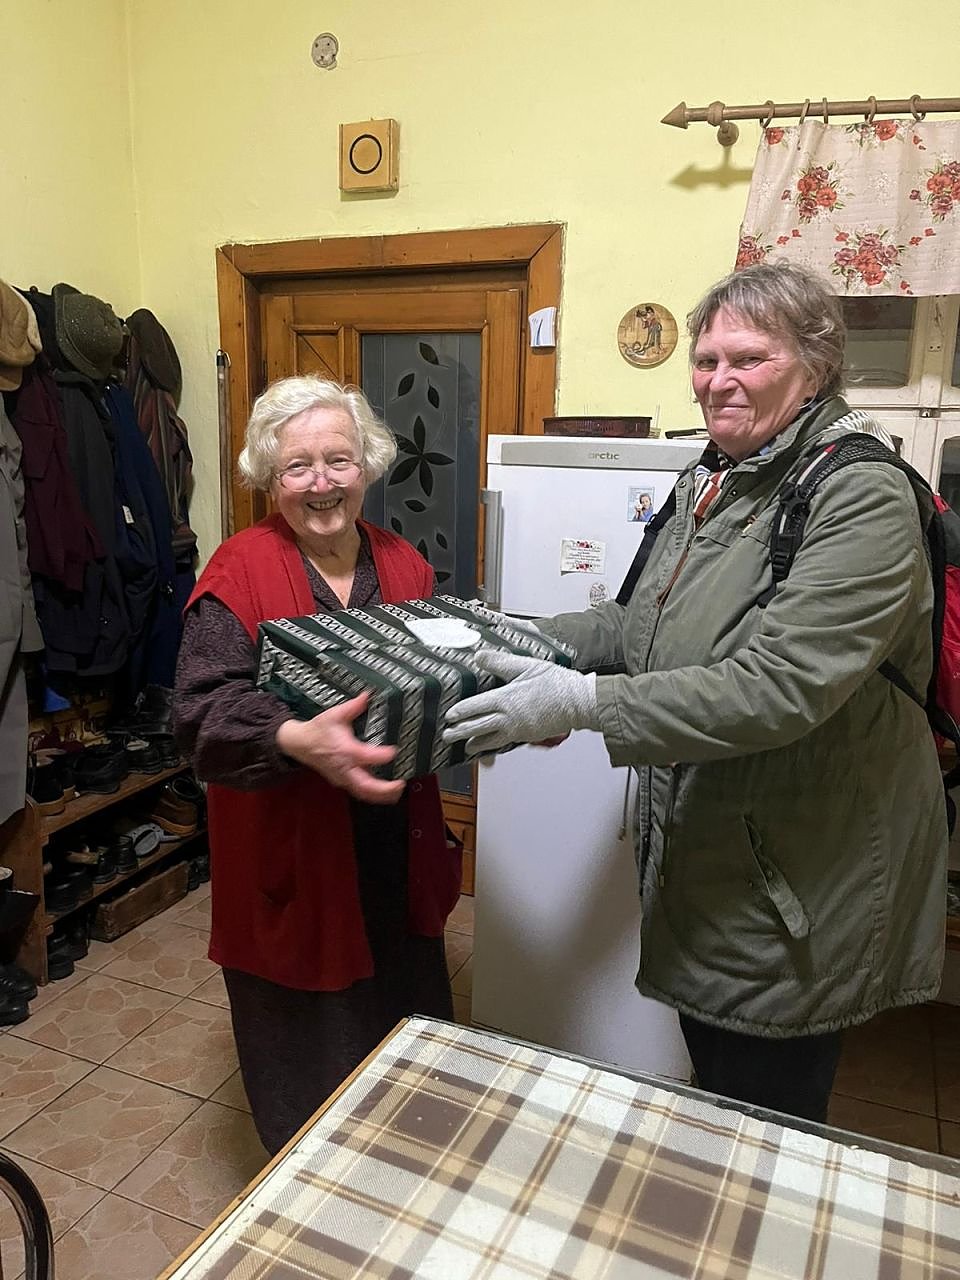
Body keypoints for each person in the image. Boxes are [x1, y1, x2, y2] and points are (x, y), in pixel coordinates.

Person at [444, 262, 946, 1124]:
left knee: (764, 1119)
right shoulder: (717, 475)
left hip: (800, 872)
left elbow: (779, 687)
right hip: (722, 852)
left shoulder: (859, 493)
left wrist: (580, 704)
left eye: (748, 359)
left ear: (815, 366)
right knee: (718, 1081)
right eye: (707, 360)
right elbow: (635, 623)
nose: (718, 380)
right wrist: (515, 635)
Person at [174, 375, 460, 1154]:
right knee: (311, 1066)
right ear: (269, 478)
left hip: (394, 848)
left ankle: (401, 1169)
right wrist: (292, 738)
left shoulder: (405, 567)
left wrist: (504, 711)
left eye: (339, 460)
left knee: (405, 1042)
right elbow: (199, 717)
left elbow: (435, 685)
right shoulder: (238, 573)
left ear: (367, 466)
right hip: (293, 860)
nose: (322, 483)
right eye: (297, 466)